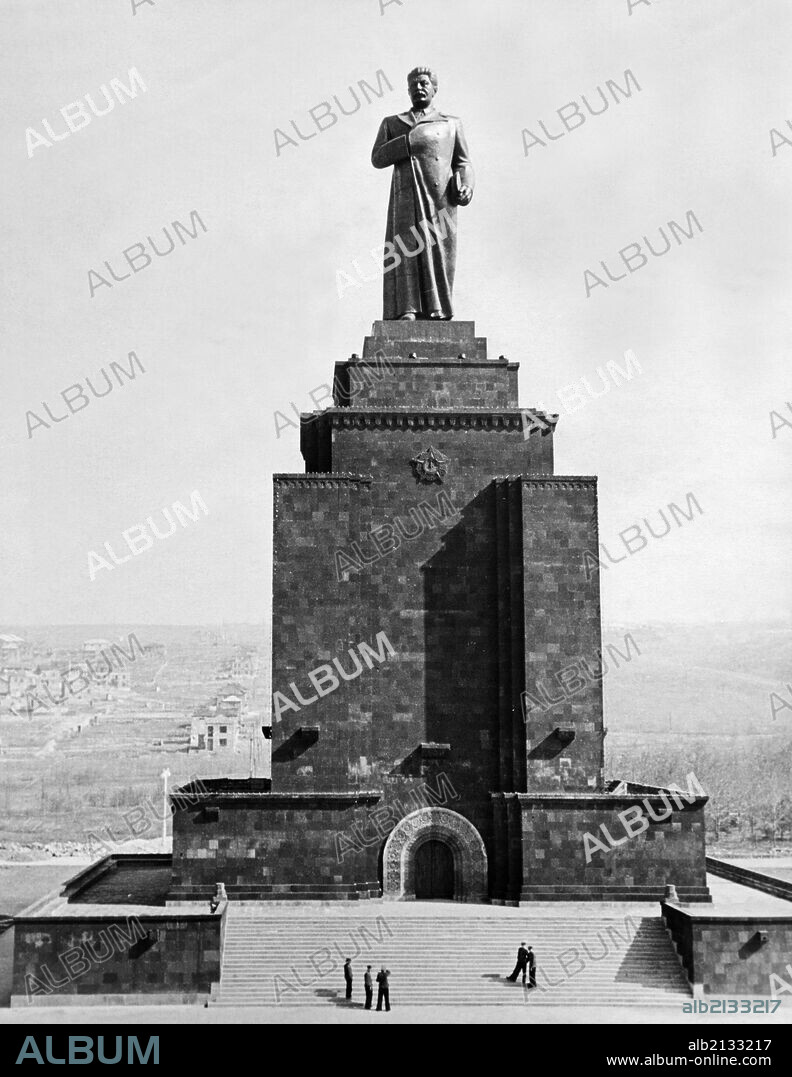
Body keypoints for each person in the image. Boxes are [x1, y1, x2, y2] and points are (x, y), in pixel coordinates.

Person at [371, 66, 474, 321]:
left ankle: (437, 307)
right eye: (414, 84)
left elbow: (463, 163)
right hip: (405, 199)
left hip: (440, 199)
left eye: (424, 83)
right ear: (407, 91)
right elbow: (378, 157)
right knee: (406, 248)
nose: (419, 87)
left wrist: (467, 187)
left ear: (434, 88)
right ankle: (408, 309)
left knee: (438, 251)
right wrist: (408, 142)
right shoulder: (393, 123)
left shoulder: (450, 124)